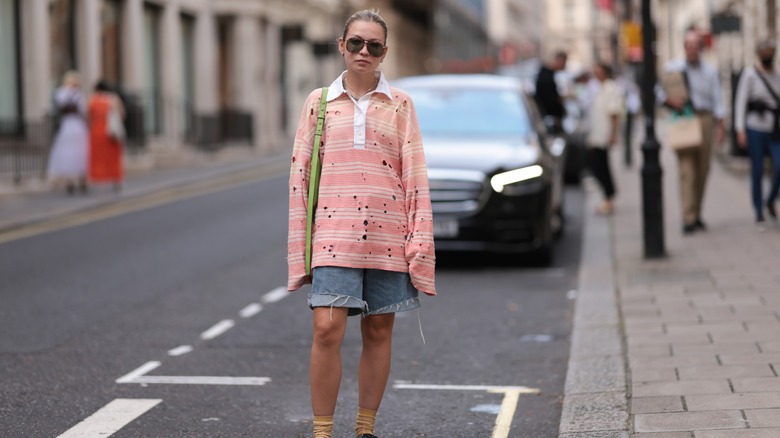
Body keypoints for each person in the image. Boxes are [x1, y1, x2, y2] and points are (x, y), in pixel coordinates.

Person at [286, 10, 436, 438]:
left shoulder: (401, 104)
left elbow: (415, 175)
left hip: (389, 235)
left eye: (373, 46)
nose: (364, 52)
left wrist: (419, 241)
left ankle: (365, 429)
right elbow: (299, 180)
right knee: (326, 328)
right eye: (356, 43)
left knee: (377, 328)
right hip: (333, 235)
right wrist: (300, 251)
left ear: (384, 52)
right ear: (342, 46)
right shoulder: (318, 103)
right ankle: (322, 431)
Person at [658, 31, 726, 234]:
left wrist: (721, 126)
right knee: (687, 170)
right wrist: (669, 101)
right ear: (684, 47)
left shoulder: (710, 71)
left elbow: (718, 99)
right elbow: (657, 91)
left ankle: (696, 213)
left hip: (706, 119)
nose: (692, 48)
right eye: (689, 44)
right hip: (684, 118)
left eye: (696, 44)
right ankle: (687, 217)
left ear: (701, 47)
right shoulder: (672, 68)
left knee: (703, 169)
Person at [734, 38, 780, 225]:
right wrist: (740, 129)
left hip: (774, 128)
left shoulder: (777, 74)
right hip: (754, 128)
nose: (767, 55)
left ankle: (770, 200)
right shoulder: (750, 74)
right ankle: (758, 210)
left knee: (779, 167)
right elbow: (740, 102)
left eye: (770, 52)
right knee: (758, 170)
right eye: (764, 52)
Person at [585, 63, 624, 215]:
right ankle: (608, 196)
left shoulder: (611, 88)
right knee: (598, 166)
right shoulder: (600, 88)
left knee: (600, 167)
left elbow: (614, 113)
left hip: (604, 135)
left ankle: (609, 197)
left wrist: (613, 134)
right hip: (597, 135)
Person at [47, 71, 89, 194]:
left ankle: (70, 180)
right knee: (79, 151)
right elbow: (83, 110)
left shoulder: (60, 92)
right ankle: (80, 178)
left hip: (66, 125)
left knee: (67, 152)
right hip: (76, 125)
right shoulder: (78, 94)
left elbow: (56, 107)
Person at [88, 80, 125, 192]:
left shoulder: (92, 100)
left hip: (97, 130)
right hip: (111, 131)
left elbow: (88, 115)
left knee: (98, 156)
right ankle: (115, 179)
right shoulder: (113, 99)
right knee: (113, 157)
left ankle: (99, 179)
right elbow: (122, 114)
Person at [534, 50, 568, 130]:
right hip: (550, 120)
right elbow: (549, 99)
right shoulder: (546, 77)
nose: (565, 65)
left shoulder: (548, 75)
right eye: (564, 62)